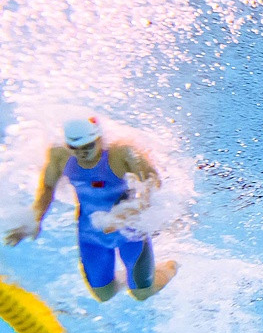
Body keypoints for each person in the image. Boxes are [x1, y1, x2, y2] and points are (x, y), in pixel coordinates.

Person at [4, 116, 178, 302]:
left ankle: (172, 265)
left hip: (130, 232)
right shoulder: (60, 156)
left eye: (88, 146)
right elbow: (47, 187)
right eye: (75, 149)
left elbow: (152, 183)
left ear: (99, 139)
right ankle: (128, 278)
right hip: (91, 236)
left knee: (141, 293)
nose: (82, 154)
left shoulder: (121, 153)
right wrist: (35, 219)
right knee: (104, 295)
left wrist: (129, 212)